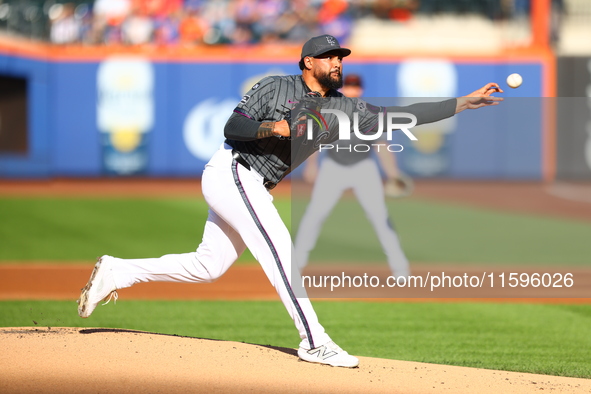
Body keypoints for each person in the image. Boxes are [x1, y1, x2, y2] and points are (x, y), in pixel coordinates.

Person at [77, 34, 503, 369]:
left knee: (208, 266)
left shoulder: (341, 108)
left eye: (341, 56)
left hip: (253, 184)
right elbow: (233, 128)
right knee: (282, 250)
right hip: (234, 171)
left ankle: (118, 271)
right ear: (308, 63)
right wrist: (274, 129)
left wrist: (465, 102)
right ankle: (315, 342)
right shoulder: (274, 87)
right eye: (331, 56)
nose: (338, 62)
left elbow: (398, 115)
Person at [294, 73, 411, 278]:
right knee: (314, 214)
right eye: (348, 86)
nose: (351, 90)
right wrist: (312, 165)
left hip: (363, 168)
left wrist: (393, 173)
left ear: (361, 90)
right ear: (342, 89)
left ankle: (400, 267)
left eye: (355, 87)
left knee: (379, 216)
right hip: (333, 167)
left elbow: (382, 146)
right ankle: (296, 264)